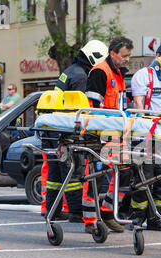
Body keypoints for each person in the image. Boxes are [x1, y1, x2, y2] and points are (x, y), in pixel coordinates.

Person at [43, 40, 109, 225]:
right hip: (65, 131)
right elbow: (80, 107)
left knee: (56, 175)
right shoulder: (81, 76)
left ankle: (53, 210)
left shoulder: (70, 70)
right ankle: (76, 211)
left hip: (53, 129)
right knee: (72, 170)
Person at [84, 36, 134, 233]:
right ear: (112, 53)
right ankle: (90, 220)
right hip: (99, 132)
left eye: (128, 56)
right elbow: (93, 107)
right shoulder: (100, 72)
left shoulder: (119, 74)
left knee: (125, 171)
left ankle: (106, 211)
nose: (127, 59)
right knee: (95, 176)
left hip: (116, 132)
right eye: (124, 56)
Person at [129, 43, 161, 232]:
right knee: (144, 176)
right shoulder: (142, 76)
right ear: (158, 55)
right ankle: (138, 216)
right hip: (144, 134)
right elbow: (138, 104)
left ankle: (158, 218)